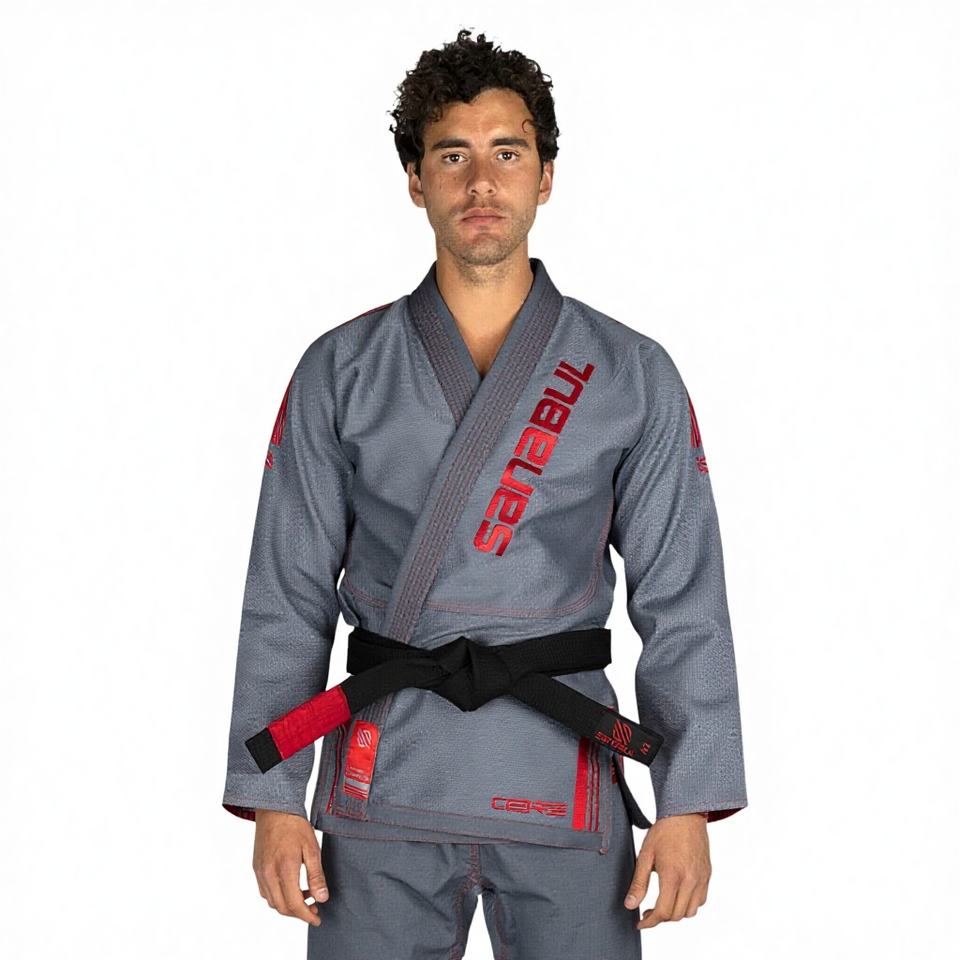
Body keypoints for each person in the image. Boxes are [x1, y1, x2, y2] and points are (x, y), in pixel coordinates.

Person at [221, 28, 748, 959]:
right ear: (415, 180)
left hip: (561, 768)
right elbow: (286, 592)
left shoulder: (630, 373)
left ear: (546, 177)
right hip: (386, 778)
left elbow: (685, 597)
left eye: (507, 154)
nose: (480, 183)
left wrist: (688, 802)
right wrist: (273, 796)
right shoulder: (341, 369)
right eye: (451, 155)